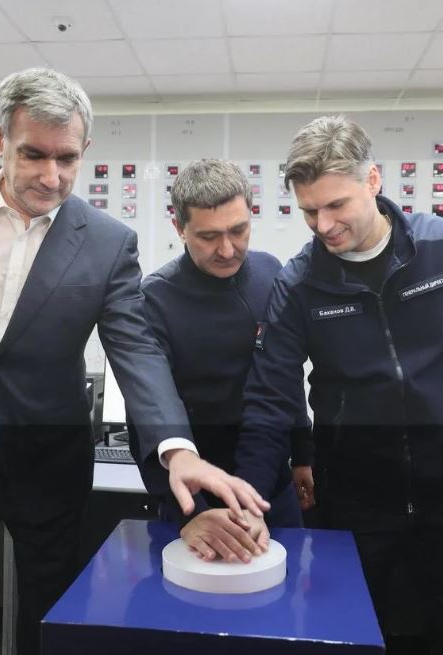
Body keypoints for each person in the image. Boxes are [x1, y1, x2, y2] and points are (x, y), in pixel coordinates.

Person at [0, 68, 268, 655]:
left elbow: (137, 351)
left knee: (49, 620)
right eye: (34, 154)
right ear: (0, 139)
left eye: (68, 158)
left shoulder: (106, 241)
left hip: (48, 464)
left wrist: (177, 448)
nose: (51, 176)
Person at [233, 115, 443, 654]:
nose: (323, 225)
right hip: (355, 502)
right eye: (309, 211)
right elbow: (270, 398)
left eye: (335, 205)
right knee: (355, 640)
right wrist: (249, 497)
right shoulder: (299, 283)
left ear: (372, 180)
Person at [128, 159, 309, 564]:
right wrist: (189, 513)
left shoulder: (270, 273)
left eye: (238, 230)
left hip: (271, 487)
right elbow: (147, 410)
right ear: (179, 228)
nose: (227, 250)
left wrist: (303, 453)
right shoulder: (153, 301)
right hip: (196, 497)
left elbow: (285, 376)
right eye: (208, 237)